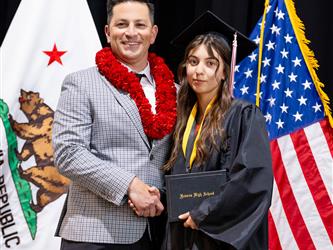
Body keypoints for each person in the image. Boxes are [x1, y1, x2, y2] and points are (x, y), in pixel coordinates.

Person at [52, 0, 177, 249]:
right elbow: (68, 154)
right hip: (95, 234)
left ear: (153, 34)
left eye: (140, 24)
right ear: (108, 32)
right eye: (122, 24)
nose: (131, 32)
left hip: (157, 234)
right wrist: (129, 185)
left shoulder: (175, 91)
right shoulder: (81, 83)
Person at [162, 11, 273, 250]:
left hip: (219, 236)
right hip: (183, 233)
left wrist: (203, 214)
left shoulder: (243, 115)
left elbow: (251, 179)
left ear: (224, 72)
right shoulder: (181, 119)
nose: (199, 70)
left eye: (210, 63)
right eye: (193, 61)